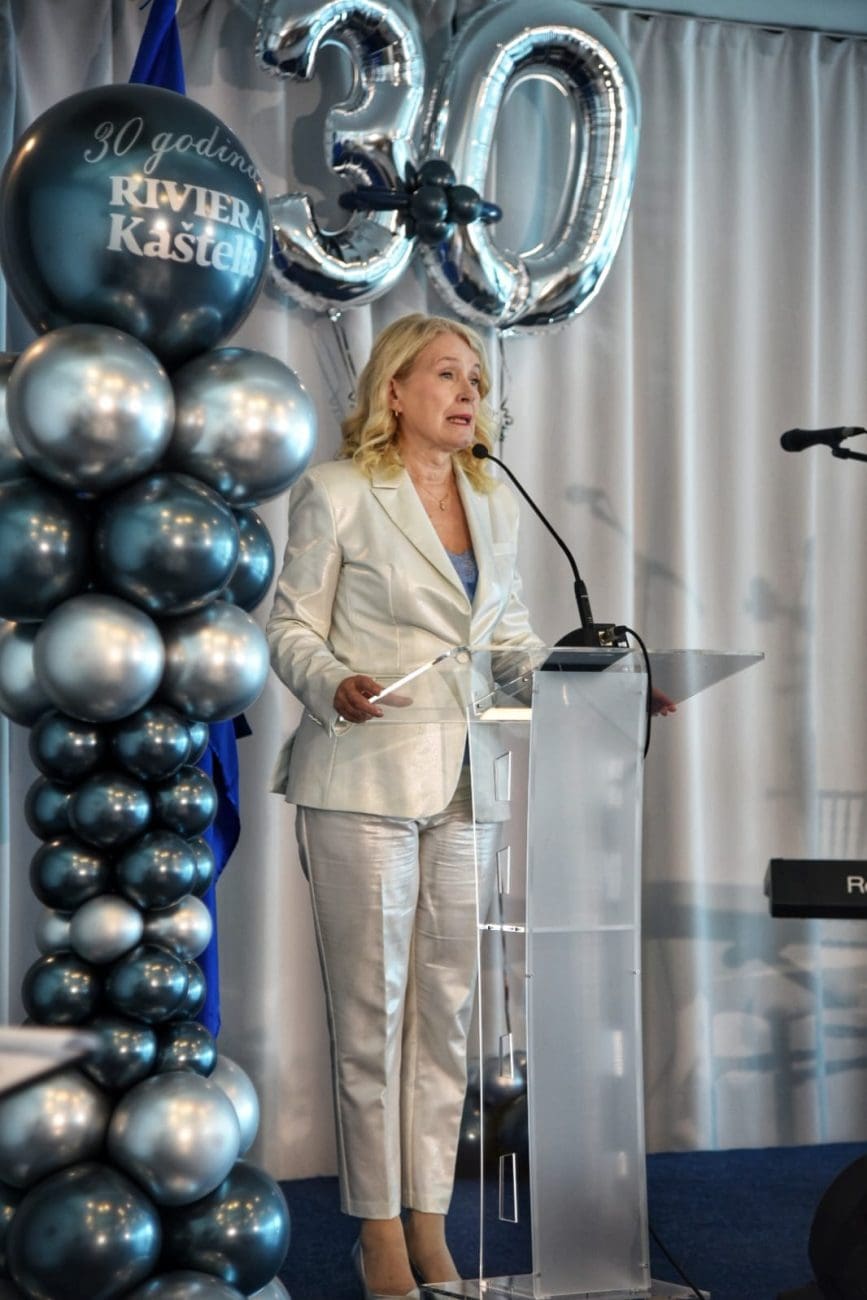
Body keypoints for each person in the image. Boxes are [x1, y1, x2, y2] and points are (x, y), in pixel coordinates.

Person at [266, 312, 550, 1299]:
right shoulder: (339, 491)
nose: (468, 393)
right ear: (394, 390)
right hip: (363, 776)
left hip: (469, 778)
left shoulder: (493, 499)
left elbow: (506, 638)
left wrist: (591, 676)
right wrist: (331, 681)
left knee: (447, 1014)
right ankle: (377, 1230)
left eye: (476, 379)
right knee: (370, 1012)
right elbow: (291, 626)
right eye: (446, 375)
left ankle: (432, 1221)